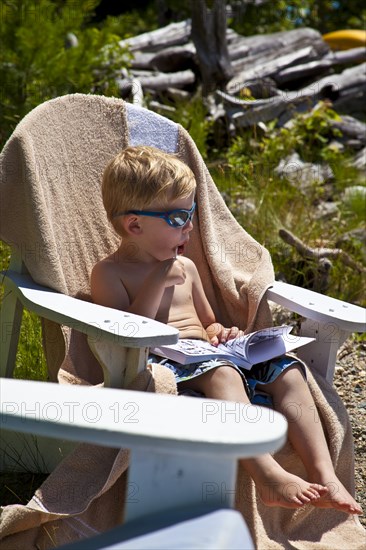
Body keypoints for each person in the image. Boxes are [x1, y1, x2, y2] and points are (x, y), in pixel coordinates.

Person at [91, 145, 362, 515]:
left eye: (192, 213)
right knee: (222, 374)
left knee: (289, 371)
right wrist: (157, 280)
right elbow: (124, 333)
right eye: (177, 218)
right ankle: (267, 475)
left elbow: (207, 321)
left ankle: (326, 475)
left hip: (213, 358)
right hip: (161, 368)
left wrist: (223, 331)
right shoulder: (110, 274)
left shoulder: (185, 267)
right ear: (134, 225)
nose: (189, 226)